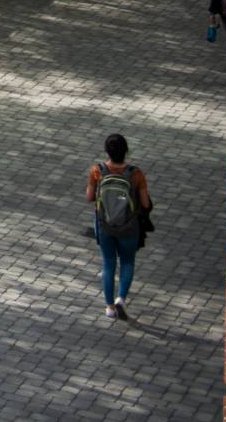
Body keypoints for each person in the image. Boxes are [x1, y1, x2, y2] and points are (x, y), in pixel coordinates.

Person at [86, 132, 152, 319]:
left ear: (107, 151)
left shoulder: (97, 171)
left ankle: (109, 308)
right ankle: (121, 298)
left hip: (105, 225)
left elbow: (89, 197)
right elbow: (145, 204)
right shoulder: (136, 174)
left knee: (108, 263)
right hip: (129, 226)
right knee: (127, 261)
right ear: (126, 151)